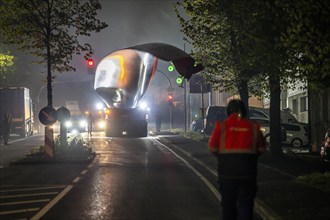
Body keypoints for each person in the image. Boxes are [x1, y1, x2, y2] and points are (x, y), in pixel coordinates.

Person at [208, 99, 266, 220]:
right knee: (245, 206)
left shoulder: (222, 126)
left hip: (227, 173)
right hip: (248, 173)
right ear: (244, 112)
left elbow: (212, 147)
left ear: (228, 112)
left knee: (228, 207)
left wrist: (222, 156)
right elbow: (261, 149)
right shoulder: (254, 127)